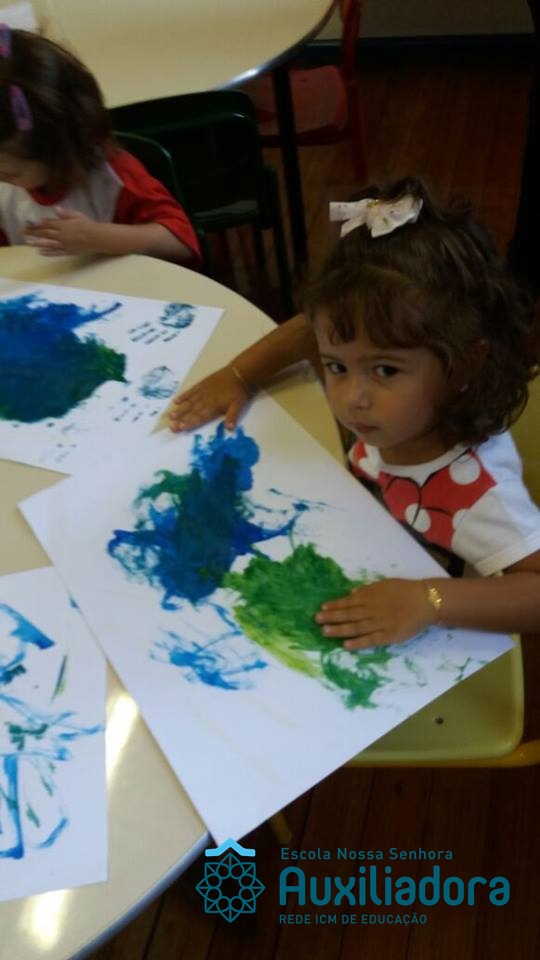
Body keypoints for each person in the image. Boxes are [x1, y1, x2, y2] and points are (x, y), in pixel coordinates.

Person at [169, 177, 540, 649]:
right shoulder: (393, 414)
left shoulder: (475, 495)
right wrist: (239, 375)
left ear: (463, 364)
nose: (352, 398)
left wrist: (430, 601)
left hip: (430, 635)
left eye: (385, 369)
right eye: (337, 366)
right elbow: (309, 329)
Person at [0, 27, 200, 264]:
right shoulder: (11, 177)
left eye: (10, 174)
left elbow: (182, 243)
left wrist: (99, 238)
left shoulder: (112, 178)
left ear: (60, 152)